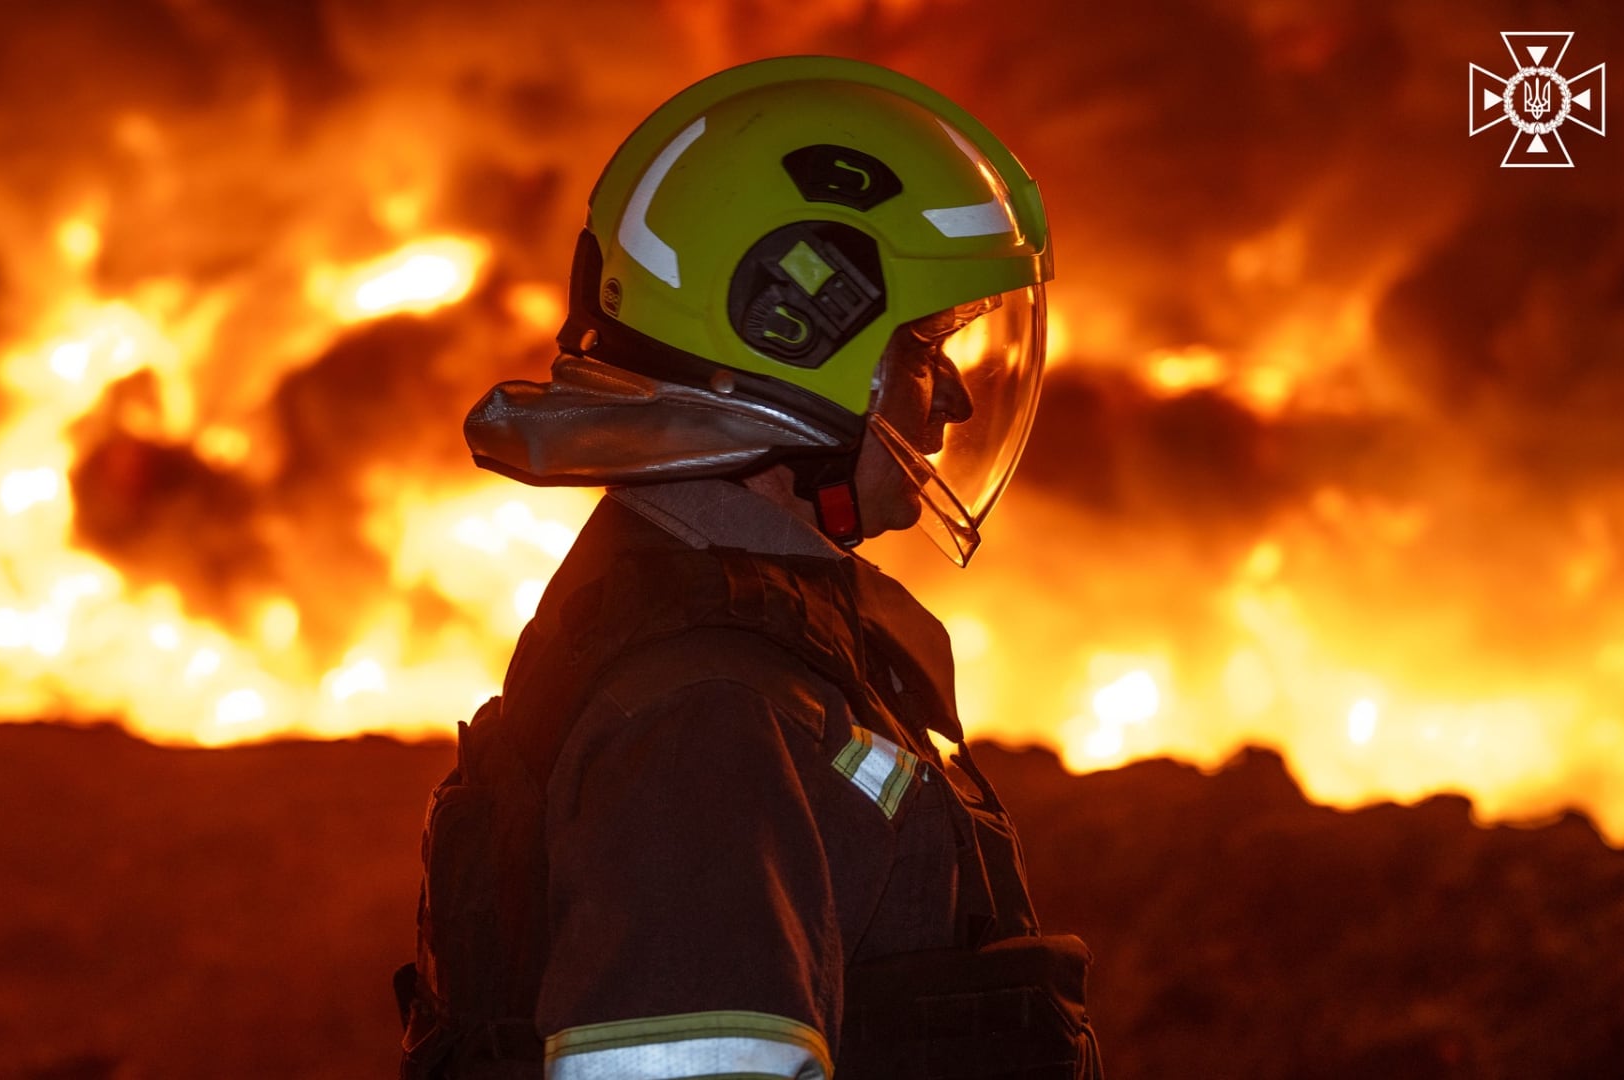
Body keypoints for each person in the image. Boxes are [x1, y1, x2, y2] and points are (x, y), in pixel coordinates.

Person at [397, 56, 1102, 1080]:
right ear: (794, 338)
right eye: (921, 351)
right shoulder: (714, 723)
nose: (951, 399)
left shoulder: (752, 647)